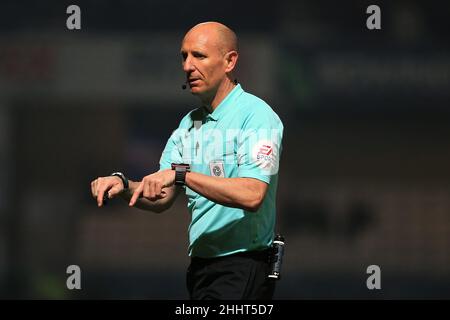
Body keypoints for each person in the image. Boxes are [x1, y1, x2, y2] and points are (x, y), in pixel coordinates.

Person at [90, 21, 284, 300]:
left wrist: (182, 174)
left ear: (230, 61)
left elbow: (253, 194)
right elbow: (162, 196)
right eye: (184, 56)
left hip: (242, 266)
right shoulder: (187, 125)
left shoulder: (256, 116)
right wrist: (123, 185)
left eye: (199, 56)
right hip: (201, 269)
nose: (187, 66)